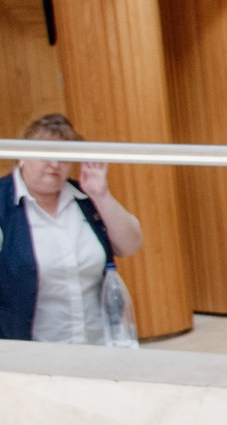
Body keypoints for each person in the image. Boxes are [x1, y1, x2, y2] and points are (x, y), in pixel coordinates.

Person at [1, 114, 145, 343]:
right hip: (31, 352)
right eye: (46, 155)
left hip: (97, 345)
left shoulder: (85, 198)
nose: (55, 165)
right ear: (21, 156)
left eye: (64, 157)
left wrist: (101, 195)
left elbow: (130, 245)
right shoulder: (4, 203)